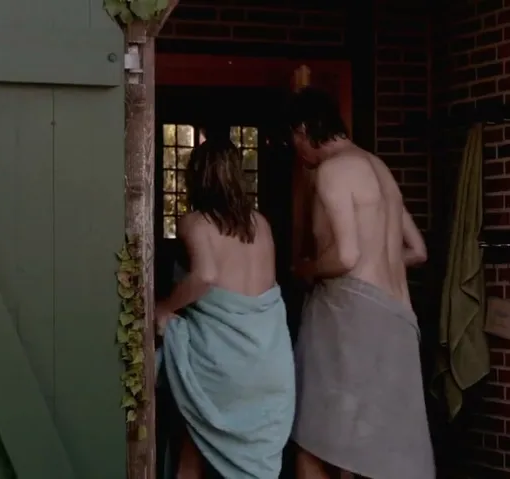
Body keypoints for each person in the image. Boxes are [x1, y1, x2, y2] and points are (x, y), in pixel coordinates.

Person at [287, 87, 435, 479]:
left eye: (294, 142)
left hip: (352, 317)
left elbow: (346, 256)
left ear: (303, 131)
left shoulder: (333, 170)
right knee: (375, 447)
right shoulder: (379, 168)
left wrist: (305, 269)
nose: (297, 153)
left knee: (313, 438)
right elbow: (417, 250)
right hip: (398, 318)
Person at [154, 138, 295, 479]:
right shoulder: (260, 223)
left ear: (196, 177)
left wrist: (163, 308)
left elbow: (206, 275)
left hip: (223, 366)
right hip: (269, 364)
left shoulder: (196, 223)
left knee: (191, 446)